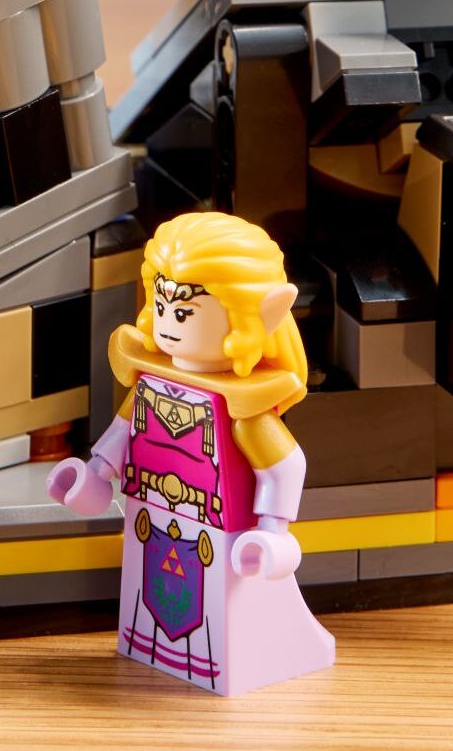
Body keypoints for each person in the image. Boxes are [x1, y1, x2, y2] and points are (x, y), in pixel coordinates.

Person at [46, 208, 335, 697]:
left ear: (256, 316)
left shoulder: (241, 406)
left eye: (184, 313)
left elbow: (286, 465)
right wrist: (95, 476)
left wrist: (273, 533)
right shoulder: (152, 383)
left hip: (220, 533)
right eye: (162, 305)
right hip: (150, 518)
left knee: (215, 624)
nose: (168, 322)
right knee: (150, 612)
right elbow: (124, 434)